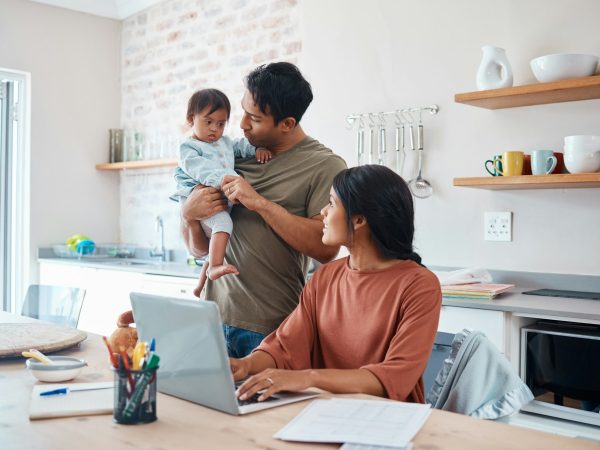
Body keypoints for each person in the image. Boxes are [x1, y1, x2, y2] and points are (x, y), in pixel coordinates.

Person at [231, 165, 442, 403]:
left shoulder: (419, 285)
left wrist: (309, 378)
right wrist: (245, 365)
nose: (323, 212)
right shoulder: (325, 277)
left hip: (389, 419)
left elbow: (394, 377)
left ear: (359, 219)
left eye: (331, 203)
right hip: (324, 411)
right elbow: (284, 346)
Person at [180, 62, 347, 358]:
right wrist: (189, 215)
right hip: (212, 317)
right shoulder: (231, 156)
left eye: (254, 118)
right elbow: (198, 249)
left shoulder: (324, 166)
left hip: (272, 326)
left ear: (287, 123)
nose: (242, 124)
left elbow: (324, 248)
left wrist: (259, 203)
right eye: (243, 111)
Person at [172, 88, 272, 295]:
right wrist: (225, 182)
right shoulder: (188, 148)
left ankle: (202, 284)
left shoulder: (224, 142)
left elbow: (240, 146)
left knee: (216, 242)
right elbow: (199, 169)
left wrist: (256, 150)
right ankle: (215, 266)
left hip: (217, 198)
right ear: (192, 118)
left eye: (220, 124)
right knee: (224, 224)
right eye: (208, 122)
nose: (214, 129)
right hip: (199, 198)